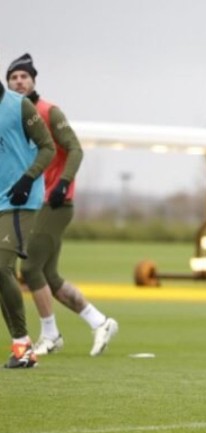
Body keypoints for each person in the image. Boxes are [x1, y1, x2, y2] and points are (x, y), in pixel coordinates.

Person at [7, 54, 118, 357]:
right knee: (50, 277)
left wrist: (64, 182)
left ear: (33, 81)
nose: (18, 81)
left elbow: (75, 149)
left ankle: (51, 335)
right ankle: (100, 321)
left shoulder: (48, 112)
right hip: (31, 203)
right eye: (13, 77)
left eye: (23, 77)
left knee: (29, 267)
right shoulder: (10, 116)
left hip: (54, 201)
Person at [0, 58, 55, 368]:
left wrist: (27, 178)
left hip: (21, 199)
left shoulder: (19, 106)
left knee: (1, 266)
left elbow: (47, 146)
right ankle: (21, 345)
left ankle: (24, 347)